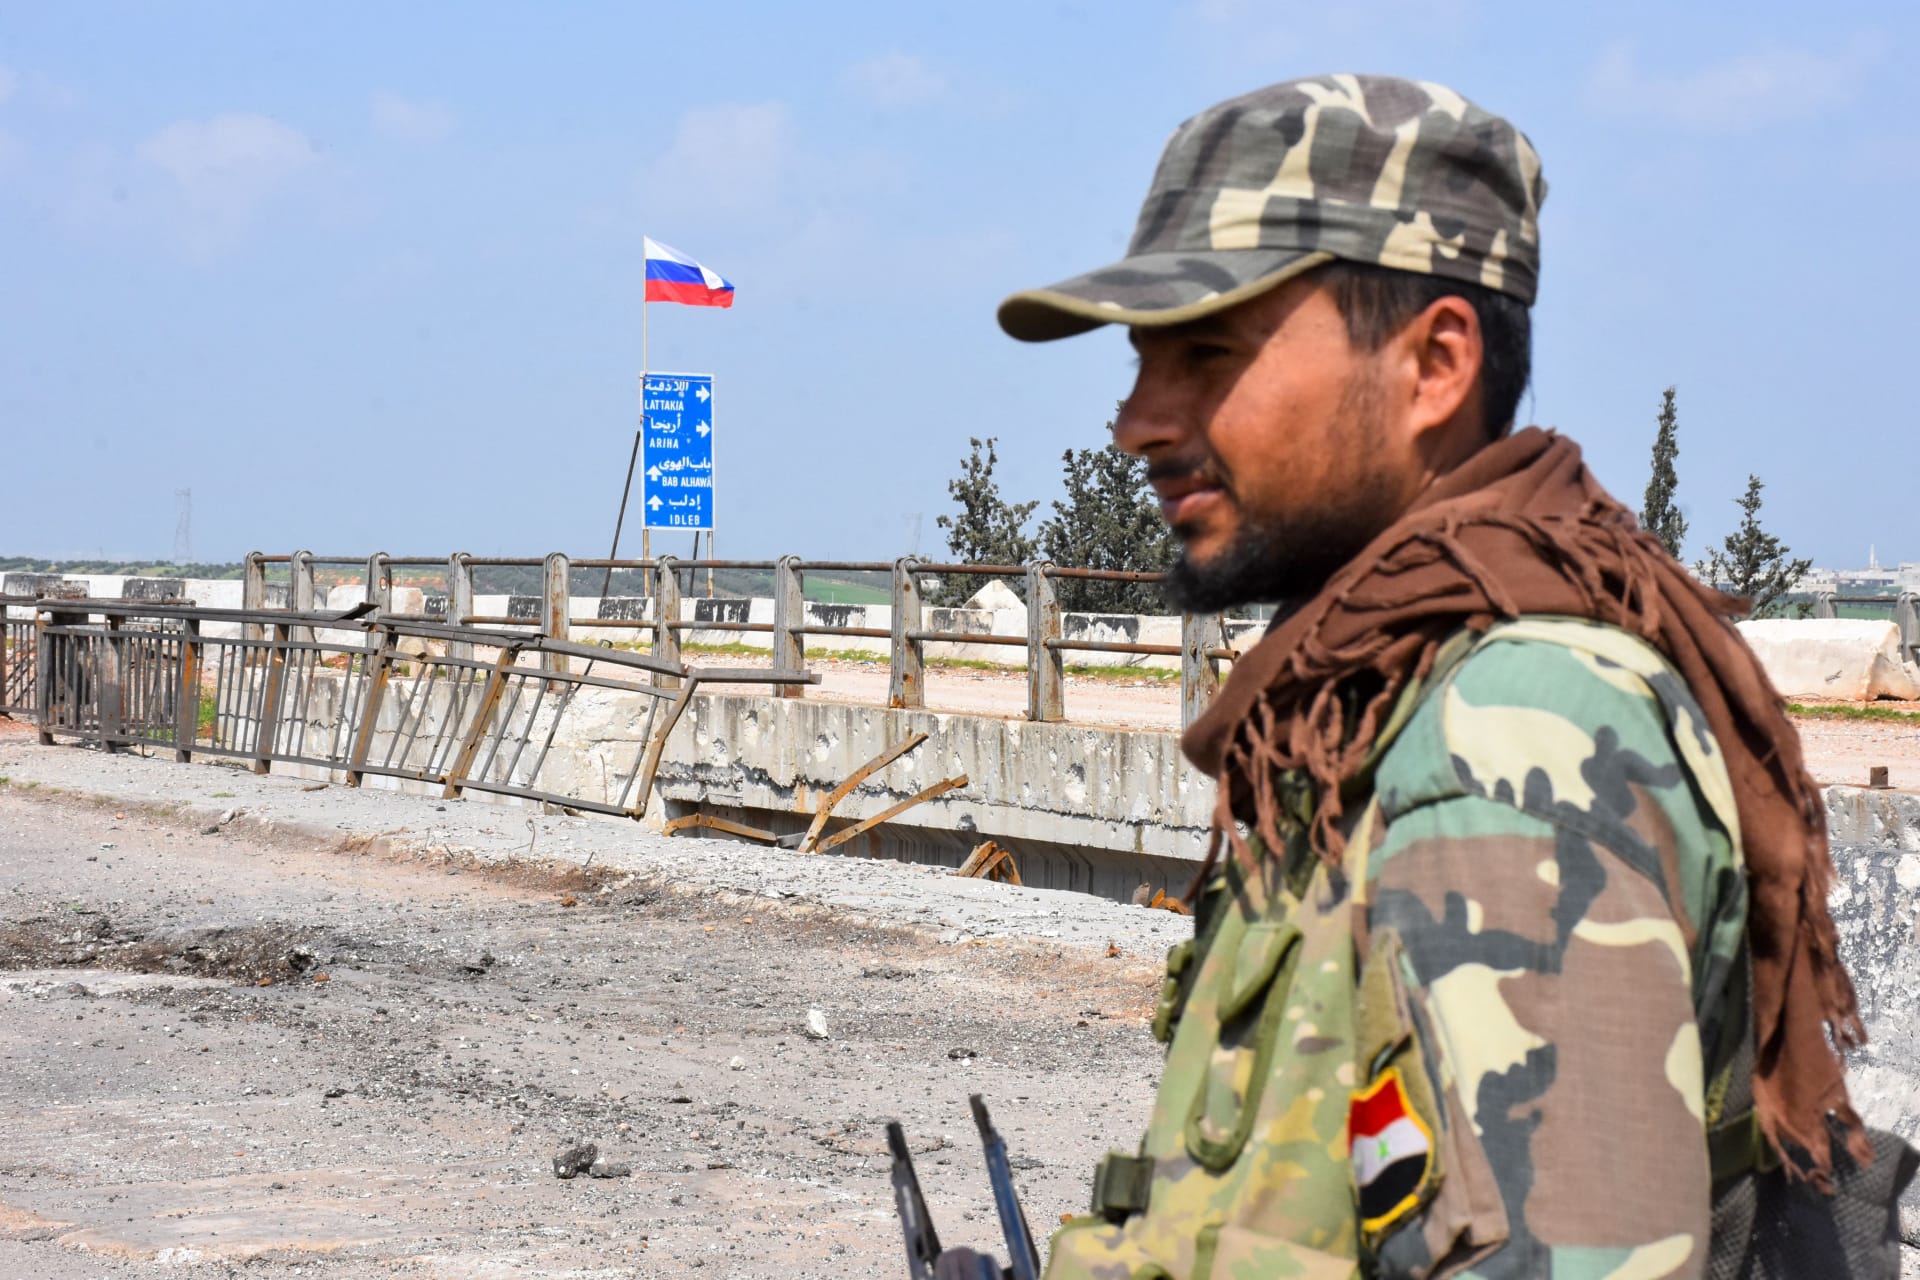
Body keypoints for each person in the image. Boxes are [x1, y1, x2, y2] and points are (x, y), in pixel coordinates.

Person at [996, 74, 1914, 1279]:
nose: (1139, 422)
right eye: (1141, 361)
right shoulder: (1388, 691)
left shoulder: (1518, 735)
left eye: (1208, 354)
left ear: (1435, 363)